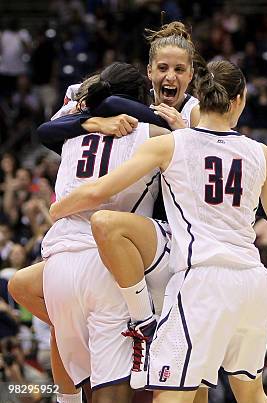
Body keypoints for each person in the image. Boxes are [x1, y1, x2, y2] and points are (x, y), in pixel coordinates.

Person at [49, 60, 267, 403]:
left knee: (171, 396)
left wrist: (59, 207)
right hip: (253, 283)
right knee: (252, 395)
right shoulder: (261, 153)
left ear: (198, 94)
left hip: (201, 280)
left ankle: (140, 320)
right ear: (240, 99)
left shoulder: (171, 145)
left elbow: (99, 190)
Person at [10, 20, 204, 392]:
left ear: (192, 75)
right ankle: (126, 323)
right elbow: (48, 132)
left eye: (179, 69)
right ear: (149, 74)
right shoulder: (136, 117)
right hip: (120, 252)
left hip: (174, 242)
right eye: (163, 68)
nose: (170, 76)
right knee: (25, 287)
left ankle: (138, 321)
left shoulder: (192, 113)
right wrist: (93, 121)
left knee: (107, 226)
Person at [39, 63, 169, 402]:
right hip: (108, 264)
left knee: (81, 385)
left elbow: (45, 129)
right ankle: (147, 320)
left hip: (57, 265)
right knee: (112, 390)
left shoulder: (69, 133)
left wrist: (92, 118)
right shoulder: (152, 135)